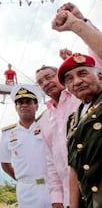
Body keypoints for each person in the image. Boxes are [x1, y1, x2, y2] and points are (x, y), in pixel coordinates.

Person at [57, 53, 102, 208]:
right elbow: (74, 167)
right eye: (69, 79)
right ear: (68, 88)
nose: (77, 81)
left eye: (83, 73)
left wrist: (78, 27)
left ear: (100, 77)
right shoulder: (73, 119)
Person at [35, 64, 81, 208]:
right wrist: (57, 198)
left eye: (49, 77)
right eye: (40, 82)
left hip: (94, 186)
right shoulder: (44, 119)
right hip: (68, 197)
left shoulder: (80, 99)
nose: (46, 83)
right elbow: (51, 162)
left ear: (61, 76)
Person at [0, 84, 52, 208]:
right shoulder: (8, 133)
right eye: (20, 103)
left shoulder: (46, 124)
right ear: (16, 108)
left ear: (37, 106)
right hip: (26, 190)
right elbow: (5, 164)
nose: (24, 105)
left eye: (28, 102)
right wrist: (20, 179)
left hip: (51, 186)